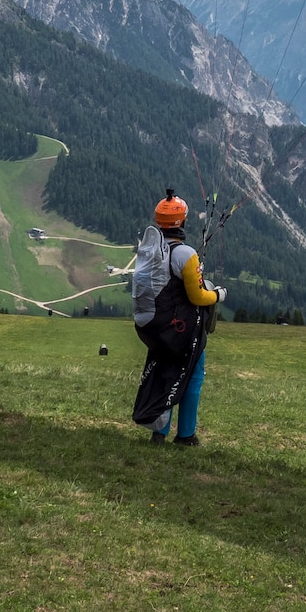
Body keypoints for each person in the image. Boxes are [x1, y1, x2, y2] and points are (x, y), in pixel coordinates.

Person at [129, 190, 222, 445]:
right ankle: (186, 435)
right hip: (180, 331)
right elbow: (198, 297)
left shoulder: (149, 251)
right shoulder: (185, 254)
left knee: (165, 374)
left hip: (154, 329)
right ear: (181, 221)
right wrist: (218, 295)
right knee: (193, 375)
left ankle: (158, 433)